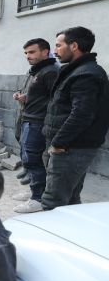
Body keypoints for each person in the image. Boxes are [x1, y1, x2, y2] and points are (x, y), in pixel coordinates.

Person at [42, 26, 109, 211]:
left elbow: (81, 114)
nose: (54, 51)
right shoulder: (77, 70)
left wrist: (58, 143)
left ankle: (51, 239)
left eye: (58, 45)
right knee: (69, 200)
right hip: (69, 146)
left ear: (74, 46)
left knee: (53, 203)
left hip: (70, 148)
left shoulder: (86, 74)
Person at [11, 38, 58, 213]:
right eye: (26, 53)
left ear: (45, 52)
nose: (28, 56)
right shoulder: (35, 70)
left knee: (33, 159)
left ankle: (38, 198)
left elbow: (56, 100)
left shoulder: (50, 71)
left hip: (38, 122)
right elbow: (37, 95)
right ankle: (34, 190)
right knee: (26, 157)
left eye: (32, 52)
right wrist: (23, 97)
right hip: (27, 118)